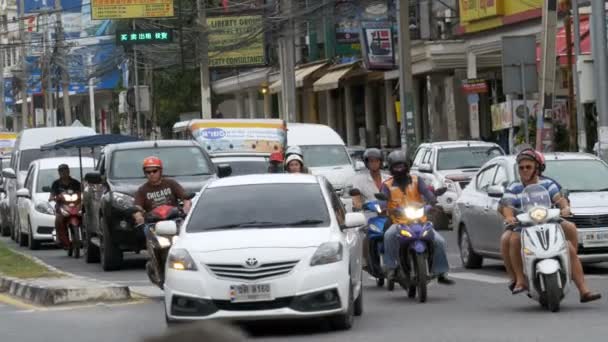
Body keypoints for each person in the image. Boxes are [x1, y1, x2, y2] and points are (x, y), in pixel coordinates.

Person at [499, 148, 601, 302]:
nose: (524, 170)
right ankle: (520, 280)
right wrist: (509, 217)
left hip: (550, 222)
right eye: (521, 168)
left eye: (528, 167)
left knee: (570, 238)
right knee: (513, 239)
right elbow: (507, 205)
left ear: (536, 168)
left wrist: (565, 208)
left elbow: (559, 199)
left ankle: (583, 290)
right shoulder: (514, 187)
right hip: (524, 226)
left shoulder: (548, 183)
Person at [381, 151, 454, 285]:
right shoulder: (387, 185)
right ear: (391, 168)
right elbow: (382, 201)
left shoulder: (416, 180)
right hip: (399, 222)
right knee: (388, 235)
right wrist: (384, 207)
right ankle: (391, 268)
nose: (399, 169)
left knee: (439, 241)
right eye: (396, 167)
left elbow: (426, 193)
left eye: (402, 166)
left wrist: (432, 201)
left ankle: (441, 271)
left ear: (407, 166)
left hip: (420, 221)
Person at [133, 156, 192, 237]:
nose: (151, 174)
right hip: (153, 224)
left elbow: (185, 198)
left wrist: (186, 208)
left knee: (185, 232)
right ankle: (150, 249)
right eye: (148, 172)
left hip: (174, 219)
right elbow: (137, 207)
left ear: (160, 171)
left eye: (154, 171)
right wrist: (138, 216)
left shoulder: (171, 183)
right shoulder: (142, 190)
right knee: (145, 233)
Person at [49, 164, 81, 250]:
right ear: (59, 173)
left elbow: (81, 193)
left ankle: (84, 236)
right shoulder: (56, 184)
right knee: (58, 219)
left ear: (69, 171)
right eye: (61, 171)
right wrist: (54, 197)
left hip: (75, 205)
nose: (64, 173)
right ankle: (60, 238)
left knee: (83, 216)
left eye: (65, 170)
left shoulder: (75, 183)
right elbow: (51, 195)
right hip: (62, 206)